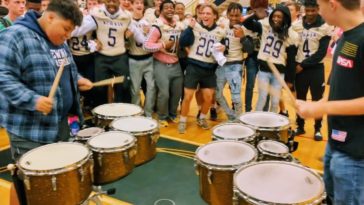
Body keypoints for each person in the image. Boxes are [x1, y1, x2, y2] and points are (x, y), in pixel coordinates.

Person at [0, 1, 91, 204]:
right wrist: (32, 100)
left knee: (50, 180)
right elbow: (2, 76)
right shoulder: (14, 36)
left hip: (58, 123)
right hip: (29, 128)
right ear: (50, 17)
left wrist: (77, 80)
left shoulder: (57, 39)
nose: (67, 35)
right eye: (66, 29)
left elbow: (63, 69)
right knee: (25, 182)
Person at [296, 0, 364, 204]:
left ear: (333, 4)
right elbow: (341, 86)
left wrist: (322, 107)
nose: (318, 10)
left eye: (319, 5)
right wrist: (319, 105)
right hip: (335, 142)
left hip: (355, 153)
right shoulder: (344, 36)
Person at [72, 0, 132, 105]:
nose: (111, 4)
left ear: (119, 2)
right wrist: (66, 31)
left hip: (120, 56)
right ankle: (101, 117)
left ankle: (123, 115)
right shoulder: (97, 15)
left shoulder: (126, 16)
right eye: (109, 1)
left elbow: (136, 30)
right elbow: (79, 30)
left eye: (114, 1)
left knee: (124, 87)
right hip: (102, 57)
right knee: (100, 89)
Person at [178, 3, 226, 133]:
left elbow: (224, 49)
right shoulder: (195, 27)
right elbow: (182, 43)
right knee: (188, 96)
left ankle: (202, 118)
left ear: (215, 16)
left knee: (209, 97)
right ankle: (182, 121)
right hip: (194, 65)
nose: (205, 15)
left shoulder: (221, 31)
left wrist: (224, 48)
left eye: (208, 13)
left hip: (209, 68)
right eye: (203, 13)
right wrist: (189, 28)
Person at [243, 5, 298, 113]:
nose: (276, 19)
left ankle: (271, 125)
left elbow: (291, 60)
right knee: (262, 98)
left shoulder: (292, 35)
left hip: (279, 72)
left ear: (285, 18)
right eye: (274, 16)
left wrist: (290, 79)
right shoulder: (265, 26)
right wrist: (255, 15)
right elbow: (246, 24)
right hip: (264, 70)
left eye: (279, 17)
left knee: (275, 101)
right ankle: (256, 122)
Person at [291, 0, 332, 140]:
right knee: (300, 99)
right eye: (307, 11)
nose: (310, 14)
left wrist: (302, 65)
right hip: (299, 70)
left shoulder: (325, 27)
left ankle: (317, 129)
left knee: (317, 100)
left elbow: (321, 53)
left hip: (315, 69)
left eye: (312, 11)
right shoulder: (296, 26)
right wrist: (293, 65)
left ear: (317, 9)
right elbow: (293, 48)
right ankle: (300, 126)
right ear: (303, 10)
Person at [144, 0, 184, 126]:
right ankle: (162, 116)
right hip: (161, 63)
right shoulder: (157, 26)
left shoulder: (178, 25)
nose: (170, 10)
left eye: (172, 7)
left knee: (176, 92)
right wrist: (162, 44)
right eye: (166, 8)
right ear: (160, 10)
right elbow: (146, 45)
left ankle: (172, 114)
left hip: (176, 63)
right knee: (164, 93)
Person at [215, 2, 245, 121]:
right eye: (231, 15)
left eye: (236, 15)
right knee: (217, 94)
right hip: (222, 64)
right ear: (227, 14)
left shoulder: (244, 28)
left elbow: (250, 49)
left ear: (240, 15)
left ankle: (238, 119)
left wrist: (243, 37)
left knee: (236, 96)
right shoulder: (222, 25)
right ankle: (231, 115)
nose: (233, 18)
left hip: (235, 64)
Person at [128, 0, 156, 118]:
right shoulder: (128, 21)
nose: (139, 5)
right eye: (136, 3)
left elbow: (155, 40)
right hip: (134, 59)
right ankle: (136, 114)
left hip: (149, 59)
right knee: (135, 89)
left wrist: (148, 34)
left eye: (141, 3)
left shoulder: (149, 21)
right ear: (132, 6)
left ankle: (148, 113)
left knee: (152, 88)